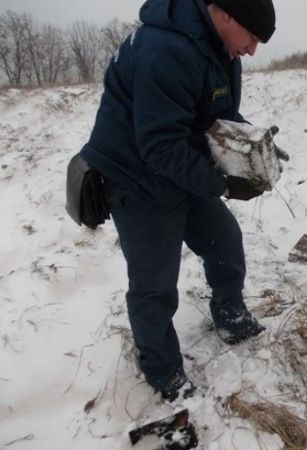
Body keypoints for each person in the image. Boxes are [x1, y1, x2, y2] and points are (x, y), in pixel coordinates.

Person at [79, 0, 276, 401]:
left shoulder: (221, 49)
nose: (253, 49)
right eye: (252, 37)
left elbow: (215, 115)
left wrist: (255, 148)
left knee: (224, 239)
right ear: (225, 13)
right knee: (155, 285)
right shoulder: (165, 51)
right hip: (135, 178)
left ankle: (229, 314)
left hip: (179, 166)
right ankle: (162, 371)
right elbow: (158, 146)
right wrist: (221, 185)